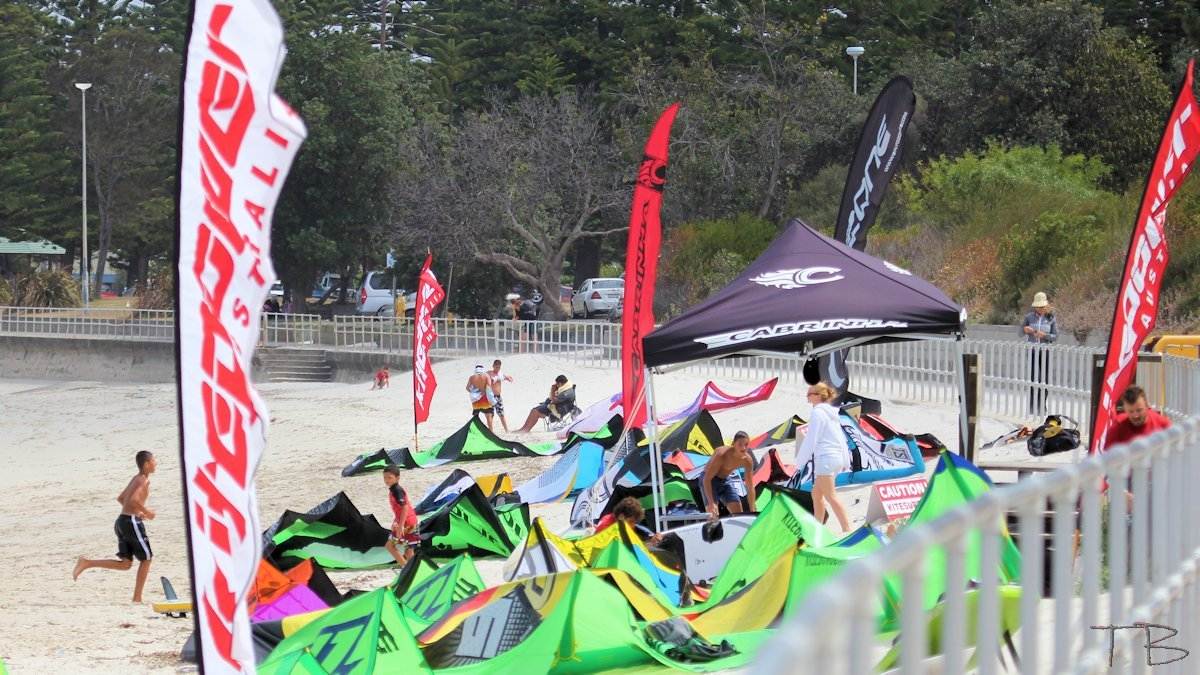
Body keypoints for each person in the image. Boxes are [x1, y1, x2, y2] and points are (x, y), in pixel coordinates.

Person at [73, 451, 157, 602]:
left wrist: (137, 512)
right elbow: (132, 500)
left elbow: (121, 498)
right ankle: (137, 598)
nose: (156, 463)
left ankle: (87, 563)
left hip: (122, 521)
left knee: (126, 564)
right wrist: (146, 512)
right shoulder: (143, 480)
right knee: (147, 559)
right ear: (146, 464)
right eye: (153, 461)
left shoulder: (136, 478)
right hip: (130, 522)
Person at [800, 382, 852, 532]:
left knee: (830, 496)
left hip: (826, 459)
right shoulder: (831, 413)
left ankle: (847, 529)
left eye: (809, 394)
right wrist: (845, 460)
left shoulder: (818, 412)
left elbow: (811, 439)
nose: (807, 397)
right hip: (835, 458)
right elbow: (841, 438)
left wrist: (800, 462)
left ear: (818, 396)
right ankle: (818, 528)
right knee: (816, 494)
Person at [701, 431, 757, 519]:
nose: (743, 448)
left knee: (738, 513)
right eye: (740, 444)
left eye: (746, 444)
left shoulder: (747, 460)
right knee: (713, 514)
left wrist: (752, 508)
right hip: (709, 480)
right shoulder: (722, 455)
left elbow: (750, 487)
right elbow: (706, 479)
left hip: (725, 480)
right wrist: (711, 503)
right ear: (733, 444)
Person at [1021, 291, 1057, 415]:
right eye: (1038, 306)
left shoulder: (1051, 318)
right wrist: (1025, 330)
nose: (1040, 309)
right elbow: (1019, 332)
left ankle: (1042, 406)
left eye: (1042, 306)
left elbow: (1055, 336)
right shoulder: (1029, 317)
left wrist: (1045, 335)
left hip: (1045, 351)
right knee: (1033, 378)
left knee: (1044, 379)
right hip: (1032, 350)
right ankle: (1032, 407)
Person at [1105, 384, 1171, 447]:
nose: (1135, 415)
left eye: (1139, 410)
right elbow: (1109, 453)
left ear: (1147, 406)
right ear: (1125, 410)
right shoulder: (1118, 427)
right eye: (1131, 411)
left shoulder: (1162, 425)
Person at [382, 466, 419, 565]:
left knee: (390, 546)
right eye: (385, 477)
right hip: (411, 521)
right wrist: (395, 522)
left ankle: (406, 568)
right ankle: (412, 569)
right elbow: (398, 510)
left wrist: (401, 526)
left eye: (389, 477)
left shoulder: (397, 490)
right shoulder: (393, 490)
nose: (386, 480)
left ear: (397, 478)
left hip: (407, 523)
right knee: (408, 550)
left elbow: (405, 507)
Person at [466, 365, 496, 430]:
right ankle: (491, 431)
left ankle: (476, 430)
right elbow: (489, 386)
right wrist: (484, 391)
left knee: (476, 416)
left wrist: (475, 392)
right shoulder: (486, 376)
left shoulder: (471, 377)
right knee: (488, 415)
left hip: (476, 399)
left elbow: (467, 388)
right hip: (484, 398)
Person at [489, 359, 514, 432]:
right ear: (493, 366)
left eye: (499, 367)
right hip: (491, 397)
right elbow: (483, 379)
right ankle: (491, 431)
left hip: (498, 397)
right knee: (490, 414)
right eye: (496, 367)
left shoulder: (500, 374)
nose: (497, 369)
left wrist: (508, 378)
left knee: (501, 414)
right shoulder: (489, 373)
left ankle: (506, 430)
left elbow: (505, 377)